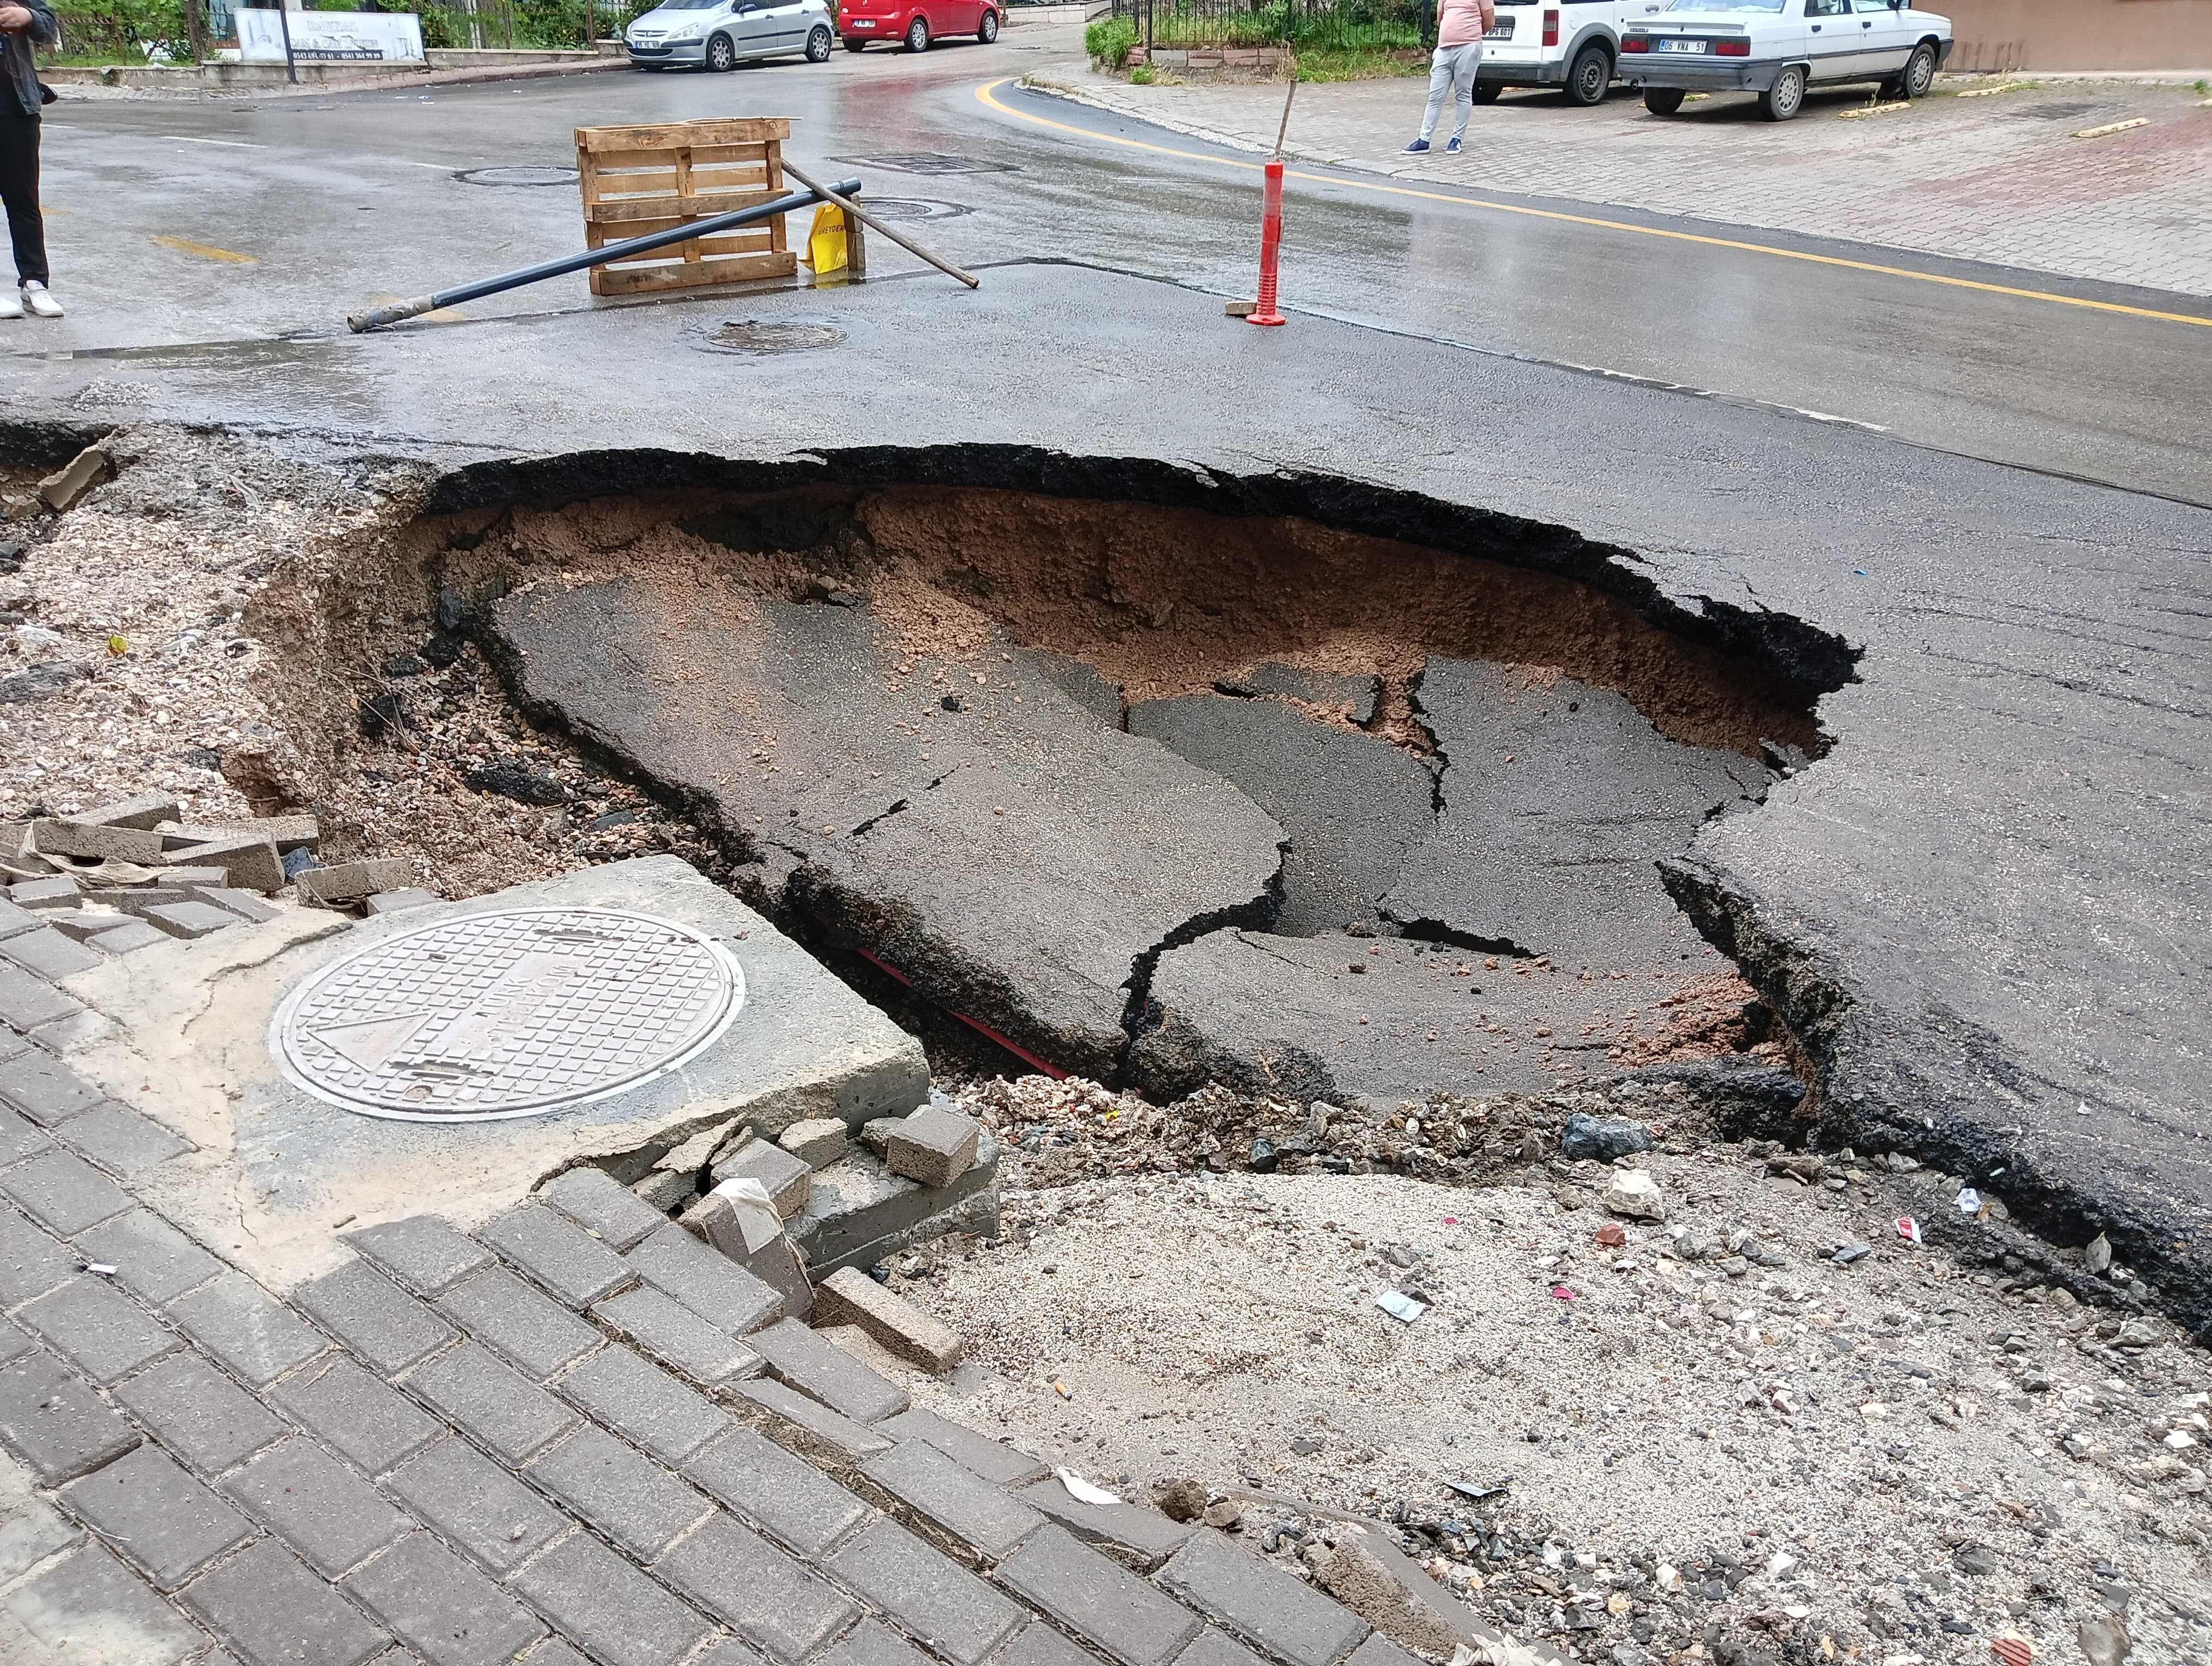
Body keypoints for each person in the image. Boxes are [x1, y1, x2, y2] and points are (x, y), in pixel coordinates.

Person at [0, 0, 61, 319]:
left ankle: (34, 284)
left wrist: (28, 16)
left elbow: (49, 27)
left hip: (18, 108)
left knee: (24, 202)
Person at [1405, 0, 1494, 156]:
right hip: (1444, 48)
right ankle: (1423, 140)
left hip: (1469, 47)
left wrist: (1470, 34)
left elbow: (1489, 21)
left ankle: (1456, 139)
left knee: (1463, 94)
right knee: (1435, 96)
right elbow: (1440, 18)